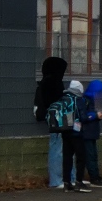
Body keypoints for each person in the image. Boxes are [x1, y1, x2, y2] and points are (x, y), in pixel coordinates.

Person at [33, 56, 68, 188]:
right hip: (57, 120)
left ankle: (61, 179)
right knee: (58, 149)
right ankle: (56, 180)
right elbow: (55, 101)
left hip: (56, 119)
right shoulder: (53, 82)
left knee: (60, 148)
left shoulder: (47, 81)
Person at [59, 80, 91, 193]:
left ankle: (66, 183)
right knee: (81, 157)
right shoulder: (79, 100)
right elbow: (83, 117)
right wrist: (90, 117)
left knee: (67, 157)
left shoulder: (64, 98)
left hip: (65, 131)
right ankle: (79, 181)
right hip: (76, 132)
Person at [80, 80, 102, 188]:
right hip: (87, 132)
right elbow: (84, 116)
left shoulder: (96, 101)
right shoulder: (86, 101)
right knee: (90, 155)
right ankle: (94, 177)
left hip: (92, 132)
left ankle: (96, 175)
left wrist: (100, 115)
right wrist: (95, 115)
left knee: (94, 155)